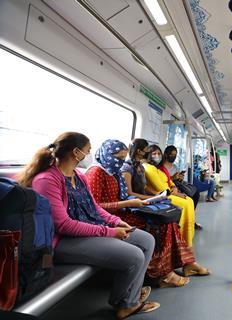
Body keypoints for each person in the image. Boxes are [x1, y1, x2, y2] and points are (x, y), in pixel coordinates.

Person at [17, 132, 159, 319]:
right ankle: (126, 304)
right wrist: (109, 232)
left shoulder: (78, 176)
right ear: (76, 152)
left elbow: (94, 208)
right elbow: (63, 225)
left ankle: (129, 297)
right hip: (62, 242)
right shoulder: (47, 180)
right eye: (87, 151)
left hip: (88, 229)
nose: (90, 155)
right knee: (134, 256)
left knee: (147, 240)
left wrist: (116, 221)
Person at [86, 139, 209, 288]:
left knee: (169, 222)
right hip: (111, 218)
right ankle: (163, 274)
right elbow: (95, 207)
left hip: (124, 210)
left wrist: (147, 200)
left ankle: (187, 263)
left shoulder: (113, 171)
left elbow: (126, 194)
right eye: (117, 157)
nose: (120, 161)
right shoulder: (96, 173)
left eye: (122, 158)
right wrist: (129, 203)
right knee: (160, 225)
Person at [143, 145, 196, 247]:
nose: (157, 156)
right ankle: (182, 236)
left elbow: (169, 181)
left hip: (169, 192)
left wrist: (174, 187)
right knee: (185, 203)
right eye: (154, 154)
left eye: (159, 153)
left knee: (190, 200)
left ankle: (188, 236)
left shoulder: (158, 168)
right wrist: (174, 192)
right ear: (148, 155)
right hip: (161, 195)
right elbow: (160, 187)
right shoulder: (149, 168)